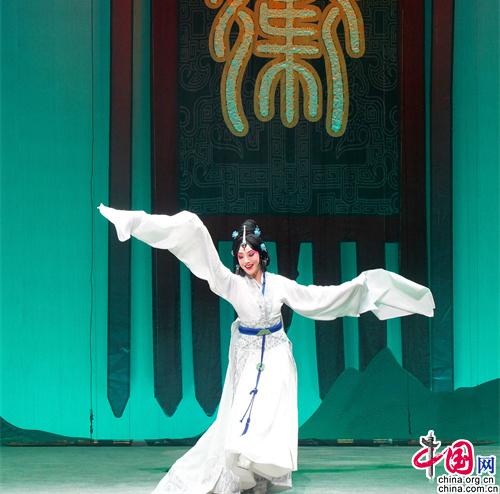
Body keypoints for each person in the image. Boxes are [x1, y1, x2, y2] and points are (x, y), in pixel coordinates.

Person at [98, 204, 434, 494]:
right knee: (243, 416)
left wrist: (361, 286)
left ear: (261, 253)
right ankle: (242, 475)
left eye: (251, 253)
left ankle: (262, 474)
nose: (246, 259)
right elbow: (207, 263)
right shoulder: (230, 283)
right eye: (241, 255)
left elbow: (317, 298)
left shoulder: (278, 284)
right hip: (247, 353)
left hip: (275, 353)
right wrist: (187, 227)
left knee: (270, 416)